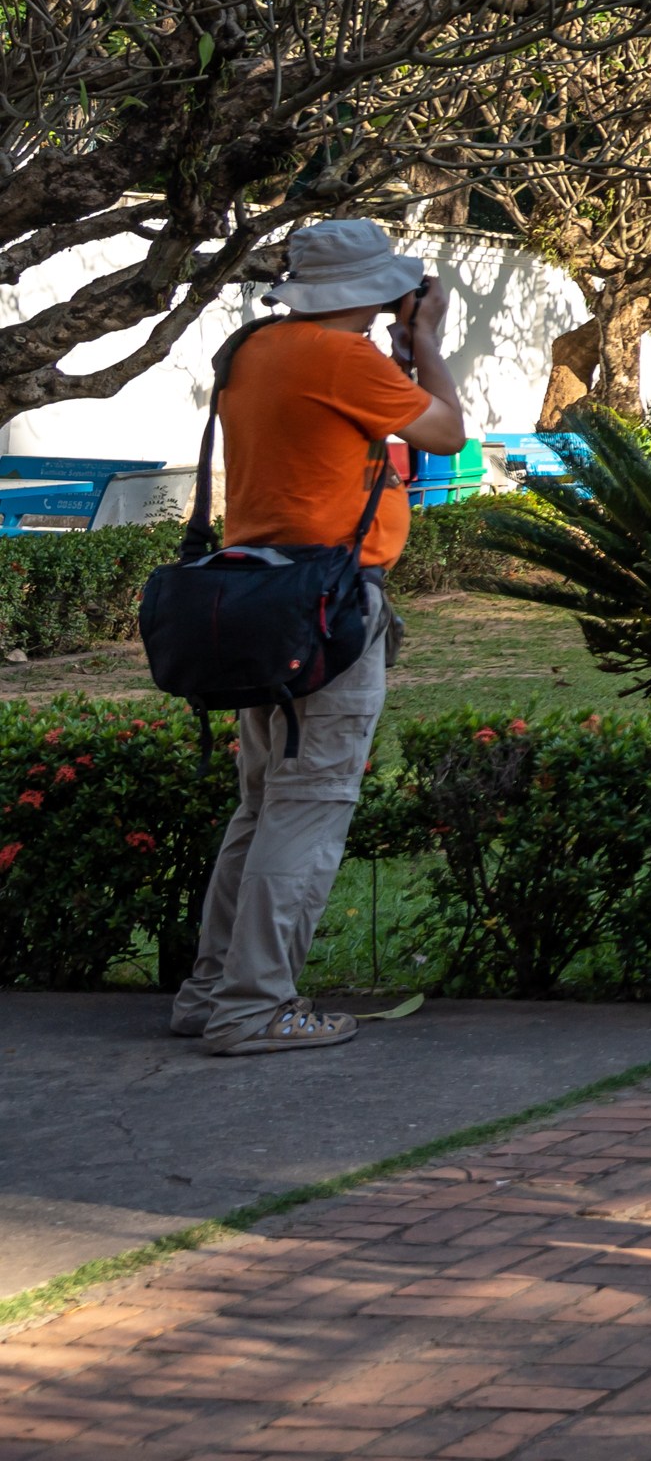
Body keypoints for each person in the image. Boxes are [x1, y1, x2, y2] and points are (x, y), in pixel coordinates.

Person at [171, 219, 468, 1055]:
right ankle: (254, 1007)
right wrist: (429, 340)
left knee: (262, 804)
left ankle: (212, 990)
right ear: (372, 292)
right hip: (328, 604)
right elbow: (446, 435)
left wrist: (399, 347)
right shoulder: (343, 359)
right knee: (309, 805)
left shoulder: (254, 348)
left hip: (262, 592)